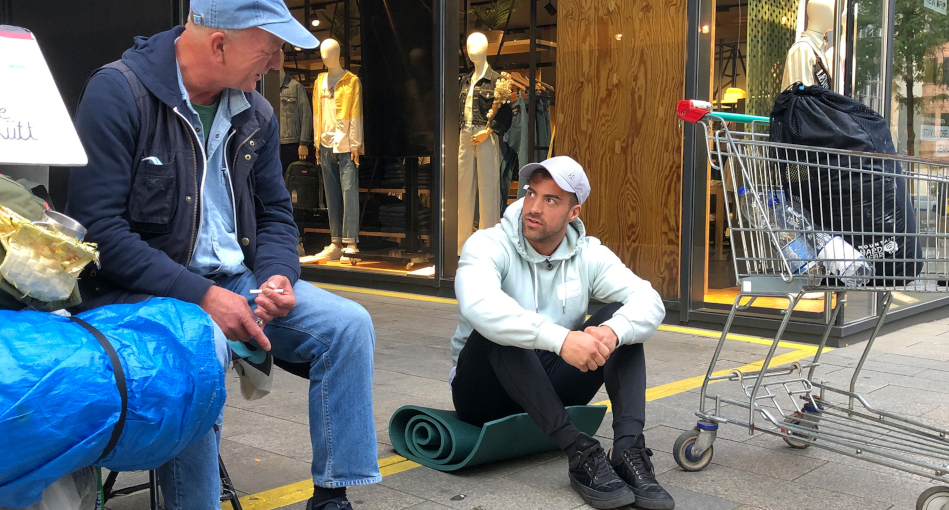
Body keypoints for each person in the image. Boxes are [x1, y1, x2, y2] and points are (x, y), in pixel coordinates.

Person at [66, 2, 380, 509]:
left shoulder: (256, 112)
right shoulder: (119, 92)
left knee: (348, 325)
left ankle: (332, 497)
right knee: (199, 348)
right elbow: (98, 233)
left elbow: (276, 214)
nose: (277, 62)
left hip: (234, 283)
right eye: (270, 47)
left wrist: (277, 275)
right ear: (219, 45)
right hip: (137, 292)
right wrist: (203, 296)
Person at [449, 156, 673, 510]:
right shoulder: (488, 244)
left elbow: (650, 300)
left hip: (550, 384)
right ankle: (579, 451)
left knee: (619, 320)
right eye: (531, 194)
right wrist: (562, 339)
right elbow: (480, 305)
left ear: (573, 213)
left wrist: (613, 332)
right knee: (496, 329)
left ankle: (628, 448)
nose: (533, 208)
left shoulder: (588, 254)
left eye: (551, 200)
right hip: (484, 393)